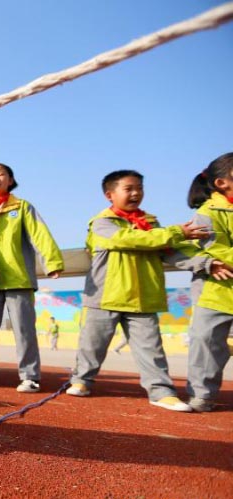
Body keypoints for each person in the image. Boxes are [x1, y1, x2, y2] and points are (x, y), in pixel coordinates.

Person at [66, 170, 213, 412]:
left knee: (151, 349)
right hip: (104, 296)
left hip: (143, 297)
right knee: (92, 345)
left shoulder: (153, 225)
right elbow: (129, 239)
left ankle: (161, 391)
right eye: (129, 188)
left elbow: (172, 251)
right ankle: (82, 379)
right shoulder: (102, 223)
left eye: (140, 188)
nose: (136, 193)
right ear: (110, 195)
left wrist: (205, 263)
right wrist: (176, 233)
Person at [0, 163, 63, 392]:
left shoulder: (22, 207)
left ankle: (30, 376)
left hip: (19, 277)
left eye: (1, 174)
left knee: (24, 329)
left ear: (10, 180)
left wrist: (52, 262)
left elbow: (40, 234)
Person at [184, 153, 233, 411]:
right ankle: (202, 394)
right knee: (208, 345)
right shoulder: (207, 213)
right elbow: (217, 248)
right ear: (221, 183)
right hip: (214, 292)